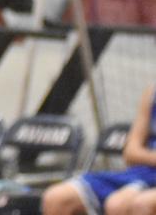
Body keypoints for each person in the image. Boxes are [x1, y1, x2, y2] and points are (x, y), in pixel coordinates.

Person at [42, 85, 156, 215]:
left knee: (119, 204)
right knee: (55, 198)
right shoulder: (151, 94)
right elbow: (130, 153)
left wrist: (144, 156)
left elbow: (137, 153)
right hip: (139, 173)